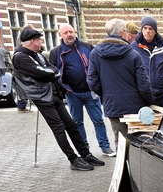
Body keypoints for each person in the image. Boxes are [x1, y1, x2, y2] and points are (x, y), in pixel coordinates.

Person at [12, 27, 105, 171]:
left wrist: (52, 73)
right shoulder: (21, 57)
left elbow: (53, 69)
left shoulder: (37, 55)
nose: (41, 41)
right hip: (42, 97)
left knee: (71, 125)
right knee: (58, 128)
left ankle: (85, 154)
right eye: (39, 39)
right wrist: (52, 73)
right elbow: (43, 73)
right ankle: (73, 159)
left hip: (53, 93)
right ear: (32, 41)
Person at [48, 24, 115, 157]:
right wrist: (62, 89)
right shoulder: (56, 52)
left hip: (90, 91)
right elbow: (52, 72)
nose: (69, 35)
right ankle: (84, 149)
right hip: (71, 93)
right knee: (77, 122)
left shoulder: (87, 47)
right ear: (60, 35)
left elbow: (98, 65)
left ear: (75, 32)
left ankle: (105, 146)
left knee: (98, 120)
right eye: (65, 33)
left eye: (71, 31)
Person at [87, 18, 154, 145]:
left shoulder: (95, 54)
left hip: (113, 106)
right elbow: (144, 84)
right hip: (135, 107)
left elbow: (92, 81)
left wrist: (106, 94)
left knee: (121, 143)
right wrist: (149, 102)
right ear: (122, 33)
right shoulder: (133, 54)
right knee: (140, 142)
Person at [132, 16, 163, 108]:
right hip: (142, 96)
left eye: (150, 29)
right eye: (145, 28)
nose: (147, 31)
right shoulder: (134, 48)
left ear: (155, 31)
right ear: (141, 30)